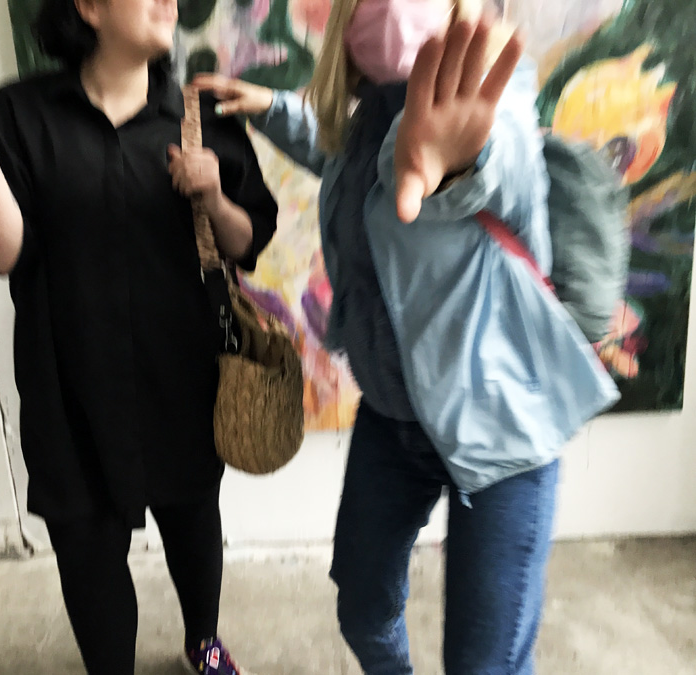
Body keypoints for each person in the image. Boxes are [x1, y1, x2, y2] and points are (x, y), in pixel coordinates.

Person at [195, 0, 619, 672]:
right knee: (363, 610)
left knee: (485, 663)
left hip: (503, 433)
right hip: (394, 418)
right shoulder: (368, 121)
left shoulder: (496, 109)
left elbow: (490, 159)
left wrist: (452, 165)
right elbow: (338, 149)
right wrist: (270, 107)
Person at [0, 0, 278, 672]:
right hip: (68, 378)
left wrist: (214, 196)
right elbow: (3, 252)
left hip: (180, 370)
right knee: (87, 547)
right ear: (90, 8)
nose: (168, 3)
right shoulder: (17, 113)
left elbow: (246, 241)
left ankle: (203, 640)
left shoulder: (201, 116)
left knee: (191, 514)